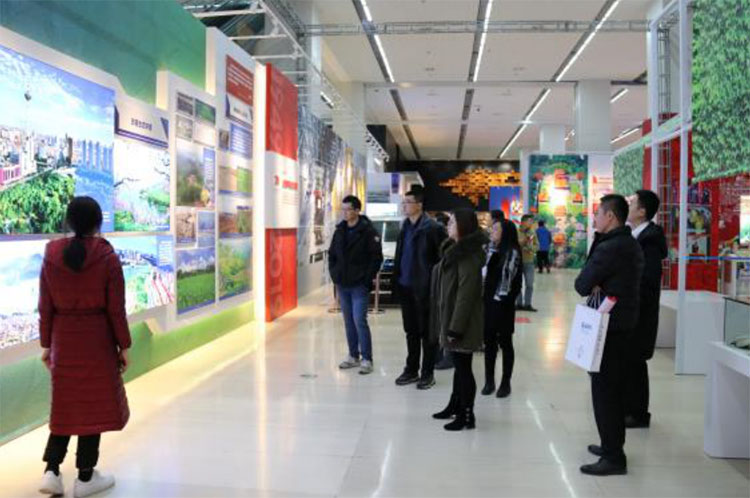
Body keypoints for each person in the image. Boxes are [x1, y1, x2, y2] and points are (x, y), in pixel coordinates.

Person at [38, 197, 131, 497]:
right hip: (97, 340)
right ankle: (86, 477)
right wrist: (124, 346)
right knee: (94, 406)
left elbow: (45, 306)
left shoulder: (51, 255)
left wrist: (47, 344)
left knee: (65, 405)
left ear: (68, 221)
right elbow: (116, 308)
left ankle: (52, 471)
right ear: (98, 223)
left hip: (63, 339)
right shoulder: (106, 256)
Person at [575, 194, 644, 476]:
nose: (595, 218)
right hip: (623, 325)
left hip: (609, 329)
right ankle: (610, 445)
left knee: (605, 392)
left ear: (610, 216)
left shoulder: (610, 247)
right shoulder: (629, 243)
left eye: (598, 214)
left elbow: (582, 284)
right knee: (612, 389)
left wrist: (595, 281)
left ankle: (614, 456)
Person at [430, 209, 487, 431]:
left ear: (463, 226)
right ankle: (455, 405)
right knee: (459, 365)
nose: (448, 225)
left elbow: (466, 294)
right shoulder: (455, 250)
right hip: (453, 317)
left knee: (464, 368)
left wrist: (455, 328)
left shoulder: (467, 255)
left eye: (453, 222)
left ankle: (467, 415)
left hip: (463, 322)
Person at [393, 189, 447, 389]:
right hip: (406, 287)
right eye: (404, 202)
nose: (404, 205)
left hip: (426, 289)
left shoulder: (433, 228)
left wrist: (435, 284)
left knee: (428, 333)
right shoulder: (404, 228)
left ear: (419, 205)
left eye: (408, 202)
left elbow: (442, 259)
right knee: (411, 331)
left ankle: (427, 372)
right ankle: (411, 369)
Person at [625, 190, 668, 428]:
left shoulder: (648, 242)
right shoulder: (636, 236)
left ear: (642, 211)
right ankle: (631, 409)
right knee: (630, 363)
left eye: (632, 203)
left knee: (636, 363)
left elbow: (647, 282)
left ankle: (638, 413)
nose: (628, 206)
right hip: (632, 312)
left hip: (640, 314)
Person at [328, 195, 384, 375]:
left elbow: (376, 258)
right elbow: (332, 255)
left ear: (357, 211)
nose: (344, 213)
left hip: (359, 284)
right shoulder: (340, 230)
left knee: (359, 320)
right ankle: (353, 355)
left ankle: (367, 358)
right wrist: (335, 275)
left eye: (348, 209)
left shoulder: (368, 231)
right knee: (348, 321)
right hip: (342, 284)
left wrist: (367, 279)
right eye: (343, 209)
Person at [482, 219, 523, 398]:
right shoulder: (489, 250)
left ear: (505, 232)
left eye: (496, 229)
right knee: (489, 342)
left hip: (504, 304)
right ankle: (489, 380)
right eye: (492, 228)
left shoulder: (512, 253)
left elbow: (511, 283)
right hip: (488, 303)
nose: (492, 231)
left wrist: (500, 299)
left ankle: (505, 382)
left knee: (505, 343)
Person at [516, 214, 539, 312]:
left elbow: (537, 246)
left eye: (532, 222)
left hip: (529, 262)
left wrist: (531, 248)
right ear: (523, 222)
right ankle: (519, 303)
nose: (531, 223)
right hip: (517, 262)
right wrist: (522, 242)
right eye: (529, 221)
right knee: (517, 283)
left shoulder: (532, 233)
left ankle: (528, 304)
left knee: (529, 284)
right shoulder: (516, 232)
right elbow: (514, 244)